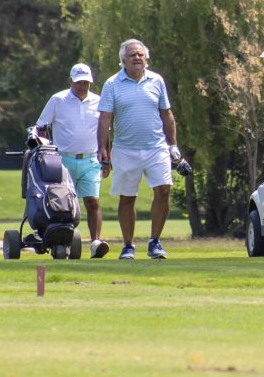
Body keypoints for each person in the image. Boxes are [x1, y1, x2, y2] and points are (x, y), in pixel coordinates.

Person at [97, 39, 182, 260]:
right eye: (132, 55)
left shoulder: (157, 81)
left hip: (156, 147)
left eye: (140, 55)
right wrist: (103, 151)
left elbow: (166, 114)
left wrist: (173, 145)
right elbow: (105, 119)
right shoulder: (112, 84)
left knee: (163, 190)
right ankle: (128, 245)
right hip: (125, 149)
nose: (137, 58)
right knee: (127, 198)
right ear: (123, 60)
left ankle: (155, 242)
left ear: (146, 59)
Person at [36, 63, 110, 258]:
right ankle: (65, 243)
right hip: (63, 160)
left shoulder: (99, 101)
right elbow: (42, 126)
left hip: (90, 159)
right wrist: (46, 152)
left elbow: (104, 132)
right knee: (65, 205)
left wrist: (106, 158)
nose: (83, 86)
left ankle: (95, 243)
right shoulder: (57, 100)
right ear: (71, 81)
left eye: (86, 82)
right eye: (79, 82)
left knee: (92, 202)